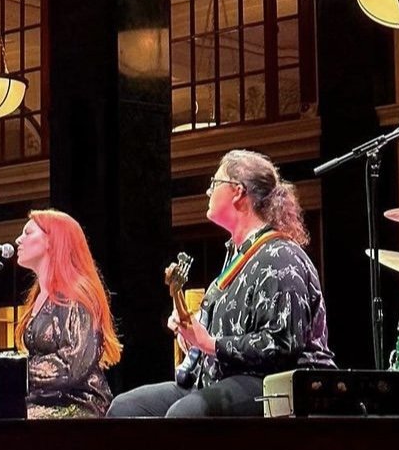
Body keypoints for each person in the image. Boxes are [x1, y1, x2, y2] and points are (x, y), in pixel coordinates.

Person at [107, 149, 333, 418]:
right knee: (126, 408)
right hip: (219, 378)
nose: (208, 191)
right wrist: (191, 336)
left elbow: (283, 343)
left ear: (238, 191)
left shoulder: (280, 255)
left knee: (186, 414)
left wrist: (212, 344)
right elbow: (215, 339)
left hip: (274, 383)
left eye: (214, 183)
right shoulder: (236, 258)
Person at [15, 209, 122, 419]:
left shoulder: (78, 296)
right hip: (42, 401)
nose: (19, 240)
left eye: (28, 233)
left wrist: (14, 373)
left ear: (52, 240)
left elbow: (72, 364)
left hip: (78, 404)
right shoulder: (39, 297)